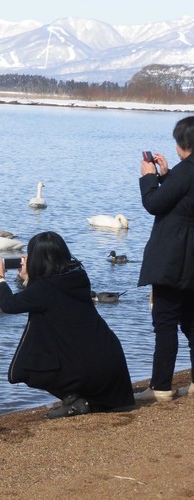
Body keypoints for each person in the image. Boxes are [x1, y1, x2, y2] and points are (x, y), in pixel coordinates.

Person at [0, 231, 135, 419]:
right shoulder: (79, 277)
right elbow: (49, 296)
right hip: (110, 362)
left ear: (38, 260)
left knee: (21, 371)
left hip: (85, 369)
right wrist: (30, 276)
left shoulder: (43, 289)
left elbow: (9, 304)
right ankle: (77, 400)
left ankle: (72, 399)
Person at [135, 116, 194, 402]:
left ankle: (160, 388)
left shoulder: (187, 171)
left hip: (174, 258)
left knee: (165, 320)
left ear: (184, 144)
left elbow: (154, 203)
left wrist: (148, 177)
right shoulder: (183, 173)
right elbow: (184, 199)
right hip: (190, 259)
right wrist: (167, 175)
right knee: (192, 321)